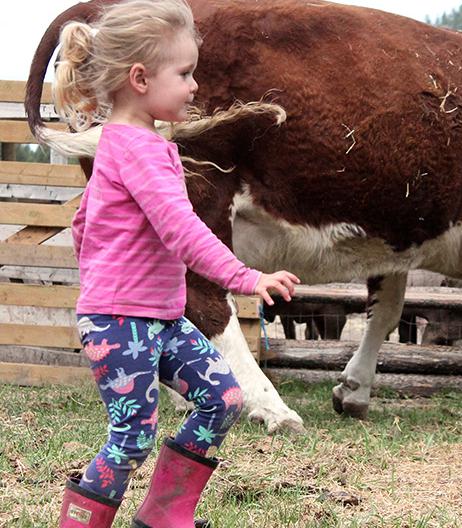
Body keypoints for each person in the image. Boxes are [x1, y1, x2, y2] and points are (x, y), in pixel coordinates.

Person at [53, 1, 300, 526]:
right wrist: (246, 277)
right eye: (185, 74)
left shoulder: (138, 145)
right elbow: (183, 232)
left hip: (162, 319)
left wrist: (98, 265)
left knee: (223, 396)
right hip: (121, 323)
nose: (194, 87)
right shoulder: (136, 150)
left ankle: (165, 515)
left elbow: (84, 224)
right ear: (139, 78)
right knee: (132, 436)